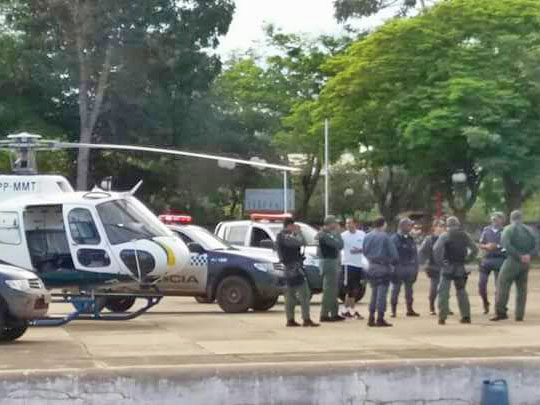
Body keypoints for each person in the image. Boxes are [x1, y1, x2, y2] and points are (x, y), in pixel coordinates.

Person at [491, 210, 539, 322]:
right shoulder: (530, 230)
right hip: (526, 262)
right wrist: (529, 255)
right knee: (522, 288)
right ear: (522, 218)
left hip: (513, 260)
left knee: (502, 284)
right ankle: (519, 315)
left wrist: (518, 255)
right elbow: (537, 244)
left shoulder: (508, 229)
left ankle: (500, 312)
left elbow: (506, 245)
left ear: (511, 218)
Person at [433, 216, 478, 325]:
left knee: (443, 292)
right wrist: (467, 260)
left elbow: (436, 249)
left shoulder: (445, 235)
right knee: (461, 292)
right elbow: (475, 249)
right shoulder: (464, 235)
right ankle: (466, 316)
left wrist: (440, 263)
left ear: (447, 225)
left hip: (448, 267)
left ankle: (442, 317)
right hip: (460, 267)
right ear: (458, 224)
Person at [276, 218, 319, 327]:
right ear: (289, 225)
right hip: (293, 268)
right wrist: (298, 233)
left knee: (290, 295)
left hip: (288, 268)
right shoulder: (285, 236)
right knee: (304, 293)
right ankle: (306, 319)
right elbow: (299, 243)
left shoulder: (281, 236)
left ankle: (290, 319)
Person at [363, 217, 399, 327]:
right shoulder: (385, 237)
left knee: (373, 292)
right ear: (383, 225)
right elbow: (394, 254)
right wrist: (392, 263)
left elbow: (364, 251)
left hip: (371, 266)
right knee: (382, 293)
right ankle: (380, 317)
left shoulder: (367, 236)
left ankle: (371, 317)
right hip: (383, 267)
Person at [390, 217, 420, 318]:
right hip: (398, 267)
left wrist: (415, 268)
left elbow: (415, 254)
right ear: (402, 226)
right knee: (396, 289)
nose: (410, 227)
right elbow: (391, 254)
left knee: (409, 290)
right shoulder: (394, 239)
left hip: (409, 268)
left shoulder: (410, 238)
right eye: (409, 225)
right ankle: (393, 310)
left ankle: (410, 309)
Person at [317, 215, 345, 322]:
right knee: (329, 290)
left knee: (333, 290)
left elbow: (340, 244)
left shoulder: (329, 234)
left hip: (332, 262)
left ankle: (334, 313)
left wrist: (336, 234)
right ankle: (324, 314)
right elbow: (338, 245)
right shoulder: (324, 235)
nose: (337, 225)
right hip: (328, 263)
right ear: (329, 223)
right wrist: (337, 234)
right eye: (335, 223)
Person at [478, 212, 506, 314]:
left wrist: (497, 246)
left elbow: (507, 246)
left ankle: (497, 307)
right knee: (481, 284)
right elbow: (480, 244)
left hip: (500, 259)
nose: (494, 221)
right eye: (493, 219)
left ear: (502, 220)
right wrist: (486, 246)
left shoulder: (505, 231)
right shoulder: (486, 230)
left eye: (497, 219)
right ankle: (485, 302)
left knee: (498, 286)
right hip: (487, 259)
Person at [341, 217, 367, 319]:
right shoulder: (343, 236)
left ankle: (349, 310)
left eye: (350, 223)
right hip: (348, 265)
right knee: (348, 289)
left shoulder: (362, 234)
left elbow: (365, 247)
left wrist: (359, 250)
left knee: (356, 288)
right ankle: (348, 310)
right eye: (346, 223)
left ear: (355, 224)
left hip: (358, 264)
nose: (348, 225)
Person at [419, 219, 446, 315]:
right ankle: (432, 306)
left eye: (442, 226)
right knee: (434, 288)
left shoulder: (447, 238)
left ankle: (444, 306)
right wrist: (423, 262)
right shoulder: (429, 239)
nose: (440, 228)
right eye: (438, 226)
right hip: (433, 266)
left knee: (444, 289)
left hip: (445, 266)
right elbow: (422, 251)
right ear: (434, 228)